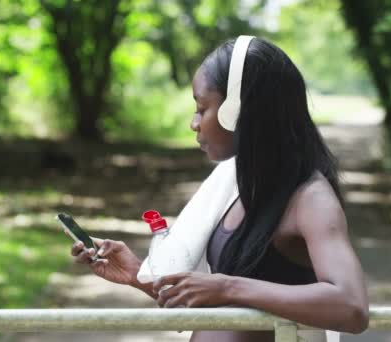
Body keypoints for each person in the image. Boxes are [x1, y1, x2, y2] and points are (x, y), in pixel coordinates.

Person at [70, 36, 369, 342]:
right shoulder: (239, 185)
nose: (194, 123)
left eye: (202, 108)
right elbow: (222, 303)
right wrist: (136, 274)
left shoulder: (310, 198)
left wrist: (228, 286)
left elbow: (351, 306)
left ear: (239, 111)